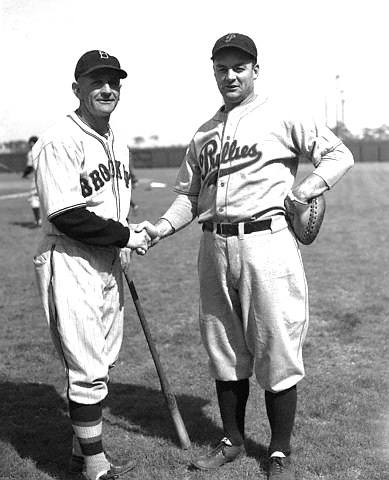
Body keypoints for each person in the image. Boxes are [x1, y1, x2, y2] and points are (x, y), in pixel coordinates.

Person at [137, 33, 354, 479]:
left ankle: (278, 451)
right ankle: (232, 441)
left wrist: (307, 188)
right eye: (222, 67)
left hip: (268, 242)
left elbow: (337, 154)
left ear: (255, 69)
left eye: (239, 66)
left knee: (276, 346)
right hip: (213, 246)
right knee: (224, 348)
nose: (230, 75)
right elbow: (189, 198)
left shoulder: (282, 113)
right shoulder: (204, 133)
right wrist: (158, 228)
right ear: (214, 71)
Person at [32, 50, 156, 480]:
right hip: (70, 257)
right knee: (87, 366)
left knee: (102, 361)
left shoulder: (116, 138)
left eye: (114, 82)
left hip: (105, 258)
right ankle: (96, 468)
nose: (107, 89)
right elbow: (65, 214)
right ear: (77, 89)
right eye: (96, 82)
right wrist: (124, 236)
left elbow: (111, 205)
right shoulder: (59, 139)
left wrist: (127, 228)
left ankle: (78, 454)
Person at [22, 135, 41, 226]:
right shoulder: (45, 150)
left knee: (34, 198)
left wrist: (25, 174)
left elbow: (29, 167)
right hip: (49, 178)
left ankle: (38, 220)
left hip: (38, 178)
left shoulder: (32, 152)